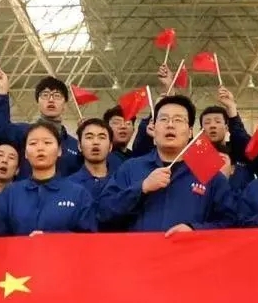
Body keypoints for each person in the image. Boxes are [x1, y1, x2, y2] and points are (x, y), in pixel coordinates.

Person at [96, 95, 241, 235]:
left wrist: (195, 230)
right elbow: (103, 213)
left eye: (178, 120)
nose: (170, 125)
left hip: (189, 250)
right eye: (163, 119)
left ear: (190, 132)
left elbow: (230, 221)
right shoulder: (131, 168)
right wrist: (142, 188)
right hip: (140, 251)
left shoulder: (207, 170)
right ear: (154, 129)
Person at [0, 122, 96, 236]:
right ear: (25, 153)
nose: (40, 148)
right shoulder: (10, 194)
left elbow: (90, 239)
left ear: (59, 151)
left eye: (47, 142)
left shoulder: (78, 194)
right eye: (33, 143)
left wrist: (51, 238)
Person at [0, 68, 81, 178]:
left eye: (57, 96)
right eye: (45, 95)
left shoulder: (74, 145)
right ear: (38, 103)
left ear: (65, 105)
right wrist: (2, 90)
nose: (51, 100)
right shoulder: (23, 132)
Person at [68, 118, 114, 200]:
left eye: (101, 137)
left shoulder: (120, 183)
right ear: (79, 146)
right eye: (89, 137)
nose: (95, 142)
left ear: (110, 146)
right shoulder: (68, 186)